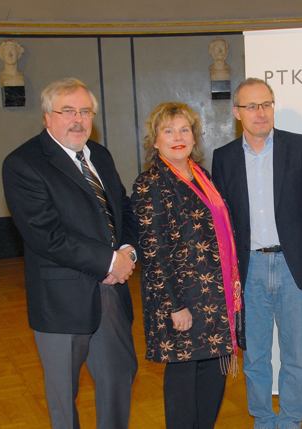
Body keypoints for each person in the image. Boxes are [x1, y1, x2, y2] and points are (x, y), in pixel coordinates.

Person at [2, 77, 138, 429]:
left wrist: (128, 253)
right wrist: (108, 262)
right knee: (64, 398)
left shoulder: (101, 156)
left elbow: (122, 210)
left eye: (85, 111)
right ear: (48, 116)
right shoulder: (23, 163)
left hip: (111, 293)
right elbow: (45, 235)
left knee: (118, 382)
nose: (78, 120)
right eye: (67, 111)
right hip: (62, 300)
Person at [211, 77, 302, 429]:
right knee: (256, 357)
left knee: (295, 356)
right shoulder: (224, 158)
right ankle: (264, 420)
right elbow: (221, 223)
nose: (260, 112)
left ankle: (292, 420)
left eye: (266, 104)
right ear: (237, 113)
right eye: (251, 106)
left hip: (294, 267)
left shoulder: (298, 147)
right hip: (248, 272)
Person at [131, 102, 244, 428]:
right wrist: (174, 306)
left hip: (214, 299)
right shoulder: (150, 183)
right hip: (182, 302)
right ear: (155, 140)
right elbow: (153, 252)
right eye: (168, 131)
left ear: (195, 137)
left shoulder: (202, 176)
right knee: (183, 378)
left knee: (212, 373)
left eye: (184, 129)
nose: (177, 137)